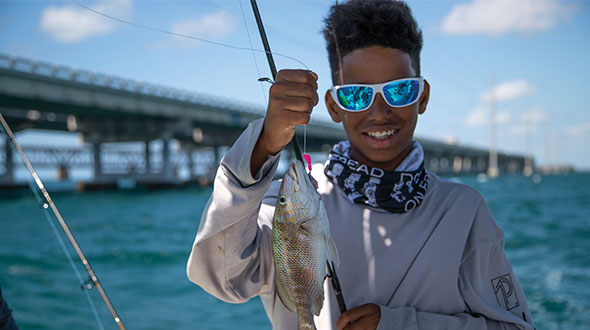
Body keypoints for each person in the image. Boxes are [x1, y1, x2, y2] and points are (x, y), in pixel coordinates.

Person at [187, 1, 535, 329]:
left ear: (423, 97)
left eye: (399, 91)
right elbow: (222, 277)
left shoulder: (463, 210)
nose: (379, 112)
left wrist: (399, 325)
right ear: (335, 106)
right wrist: (262, 144)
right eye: (357, 95)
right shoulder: (290, 202)